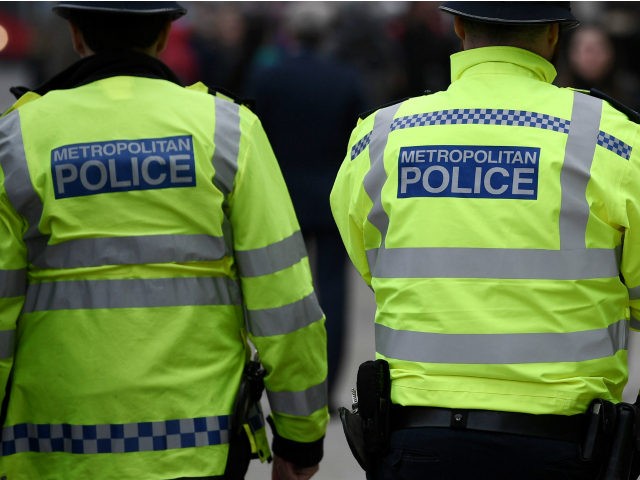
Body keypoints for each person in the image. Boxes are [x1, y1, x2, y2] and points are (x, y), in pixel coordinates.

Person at [0, 2, 328, 479]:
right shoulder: (228, 131)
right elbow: (285, 301)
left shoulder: (17, 138)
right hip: (200, 448)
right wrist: (301, 436)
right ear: (163, 34)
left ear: (75, 33)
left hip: (56, 446)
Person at [330, 2, 640, 479]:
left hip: (419, 442)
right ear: (554, 34)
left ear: (457, 25)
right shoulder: (614, 140)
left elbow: (376, 265)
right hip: (563, 445)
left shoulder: (381, 136)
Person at [245, 2, 367, 410]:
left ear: (293, 34)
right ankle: (328, 388)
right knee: (333, 293)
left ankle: (292, 389)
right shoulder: (346, 79)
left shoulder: (269, 77)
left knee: (286, 293)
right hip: (331, 195)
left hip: (283, 197)